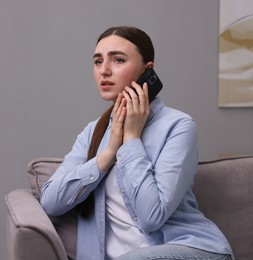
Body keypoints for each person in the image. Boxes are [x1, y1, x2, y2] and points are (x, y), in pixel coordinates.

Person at [41, 26, 234, 260]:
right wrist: (109, 153)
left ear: (147, 70)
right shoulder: (92, 133)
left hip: (193, 249)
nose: (105, 71)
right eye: (98, 61)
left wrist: (131, 139)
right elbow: (50, 202)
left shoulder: (179, 126)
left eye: (118, 60)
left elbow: (151, 217)